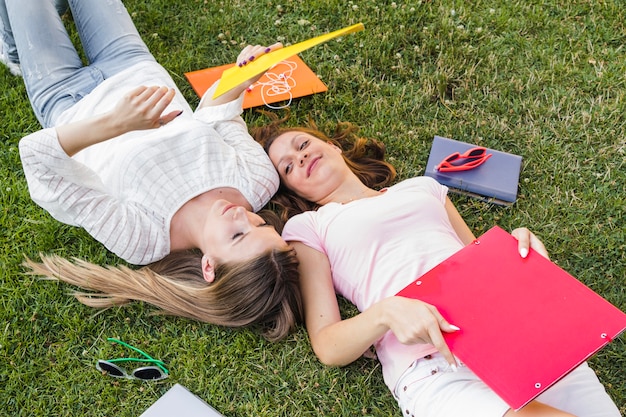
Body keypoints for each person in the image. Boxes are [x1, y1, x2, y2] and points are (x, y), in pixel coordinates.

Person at [252, 115, 621, 416]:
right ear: (295, 192)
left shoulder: (423, 187)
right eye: (288, 166)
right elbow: (329, 345)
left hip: (515, 333)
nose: (300, 158)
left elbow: (477, 258)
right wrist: (385, 314)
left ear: (331, 146)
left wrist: (523, 258)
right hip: (431, 364)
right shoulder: (311, 226)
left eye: (303, 145)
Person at [2, 0, 303, 341]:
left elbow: (38, 156)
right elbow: (217, 115)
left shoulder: (143, 240)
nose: (243, 217)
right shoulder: (258, 182)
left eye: (237, 236)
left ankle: (14, 49)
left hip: (66, 101)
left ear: (209, 265)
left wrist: (118, 122)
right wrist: (243, 76)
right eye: (260, 224)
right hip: (132, 64)